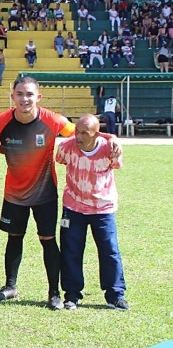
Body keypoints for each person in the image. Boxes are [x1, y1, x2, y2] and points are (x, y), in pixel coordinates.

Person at [0, 77, 76, 310]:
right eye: (20, 94)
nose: (25, 99)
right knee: (14, 238)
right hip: (14, 194)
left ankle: (54, 293)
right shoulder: (2, 121)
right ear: (12, 96)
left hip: (45, 194)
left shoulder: (53, 120)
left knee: (48, 240)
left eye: (30, 94)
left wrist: (109, 138)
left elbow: (81, 132)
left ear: (38, 97)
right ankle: (10, 286)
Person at [56, 114, 128, 311]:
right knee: (70, 251)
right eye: (77, 131)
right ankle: (72, 295)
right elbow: (60, 160)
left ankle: (115, 295)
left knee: (109, 251)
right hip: (73, 207)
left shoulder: (110, 149)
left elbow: (117, 165)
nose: (78, 137)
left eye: (84, 133)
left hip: (103, 208)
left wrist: (111, 138)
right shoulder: (66, 147)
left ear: (96, 134)